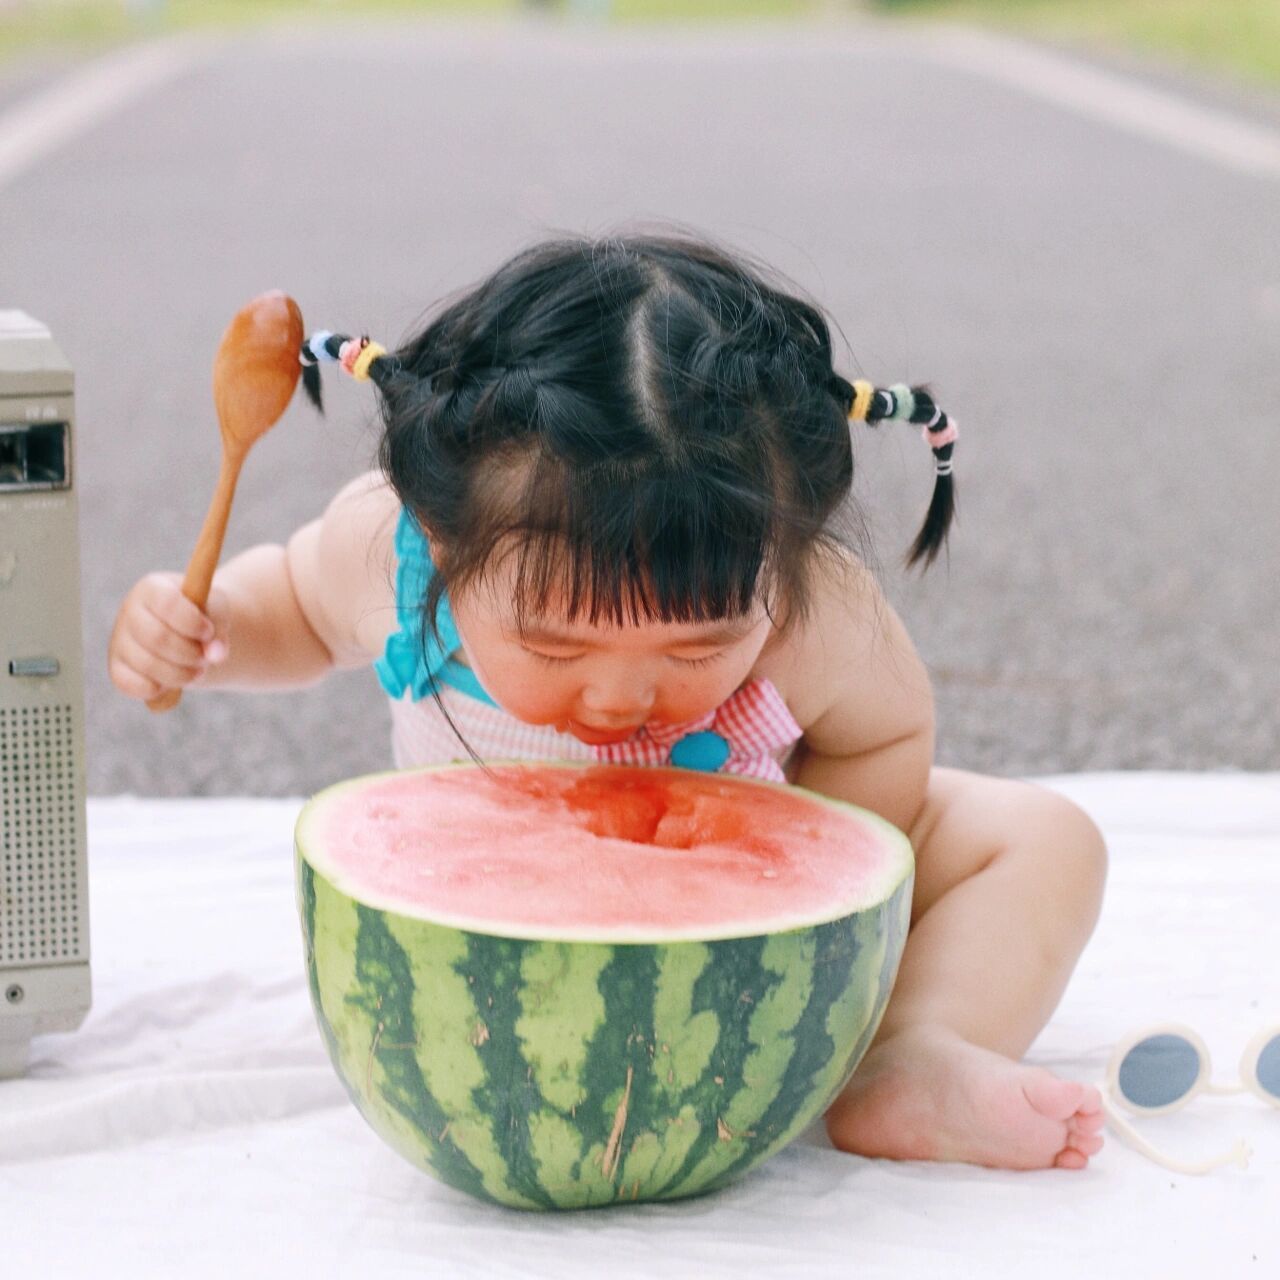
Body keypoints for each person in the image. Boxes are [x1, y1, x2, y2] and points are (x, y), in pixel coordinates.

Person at [108, 228, 1109, 1170]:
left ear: (786, 551)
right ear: (440, 539)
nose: (623, 694)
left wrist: (812, 885)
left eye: (699, 644)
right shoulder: (389, 556)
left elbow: (888, 728)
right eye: (554, 642)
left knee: (1044, 837)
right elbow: (293, 603)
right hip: (490, 917)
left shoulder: (812, 608)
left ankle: (913, 1049)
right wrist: (210, 627)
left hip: (733, 879)